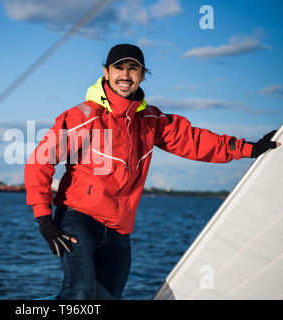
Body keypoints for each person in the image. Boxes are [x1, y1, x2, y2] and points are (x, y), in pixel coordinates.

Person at [24, 44, 280, 300]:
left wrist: (249, 148)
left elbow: (195, 141)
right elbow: (40, 161)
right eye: (119, 68)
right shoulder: (85, 116)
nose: (125, 75)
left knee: (106, 298)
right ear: (106, 72)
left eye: (133, 69)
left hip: (118, 232)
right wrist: (44, 220)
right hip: (78, 219)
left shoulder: (150, 121)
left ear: (142, 75)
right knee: (79, 292)